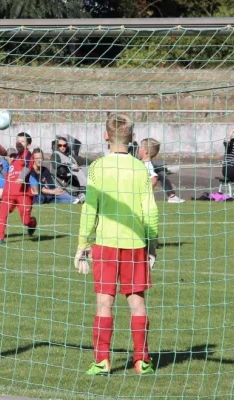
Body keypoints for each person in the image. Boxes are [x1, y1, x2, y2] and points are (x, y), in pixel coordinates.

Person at [75, 113, 158, 376]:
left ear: (105, 135)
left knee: (104, 302)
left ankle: (102, 361)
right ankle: (141, 361)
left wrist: (82, 244)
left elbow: (90, 208)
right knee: (137, 303)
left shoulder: (98, 167)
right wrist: (152, 245)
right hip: (135, 244)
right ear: (133, 139)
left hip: (106, 244)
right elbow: (150, 211)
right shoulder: (140, 168)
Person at [0, 132, 38, 245]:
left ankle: (32, 223)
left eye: (22, 141)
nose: (19, 143)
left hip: (23, 193)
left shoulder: (27, 155)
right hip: (9, 193)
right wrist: (1, 168)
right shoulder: (15, 158)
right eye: (18, 141)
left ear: (28, 145)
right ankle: (0, 238)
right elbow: (9, 177)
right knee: (2, 213)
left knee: (25, 221)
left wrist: (22, 178)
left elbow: (29, 165)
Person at [137, 138, 185, 203]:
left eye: (140, 147)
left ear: (146, 151)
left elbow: (154, 179)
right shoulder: (140, 162)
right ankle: (165, 169)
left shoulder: (147, 165)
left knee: (161, 173)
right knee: (162, 172)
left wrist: (142, 195)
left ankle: (165, 170)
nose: (138, 149)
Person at [51, 136, 87, 200]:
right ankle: (83, 194)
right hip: (67, 174)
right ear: (57, 146)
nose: (62, 147)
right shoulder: (55, 154)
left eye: (64, 145)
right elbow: (55, 164)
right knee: (81, 174)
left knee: (86, 169)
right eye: (60, 145)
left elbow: (82, 160)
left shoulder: (69, 155)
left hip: (76, 171)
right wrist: (70, 165)